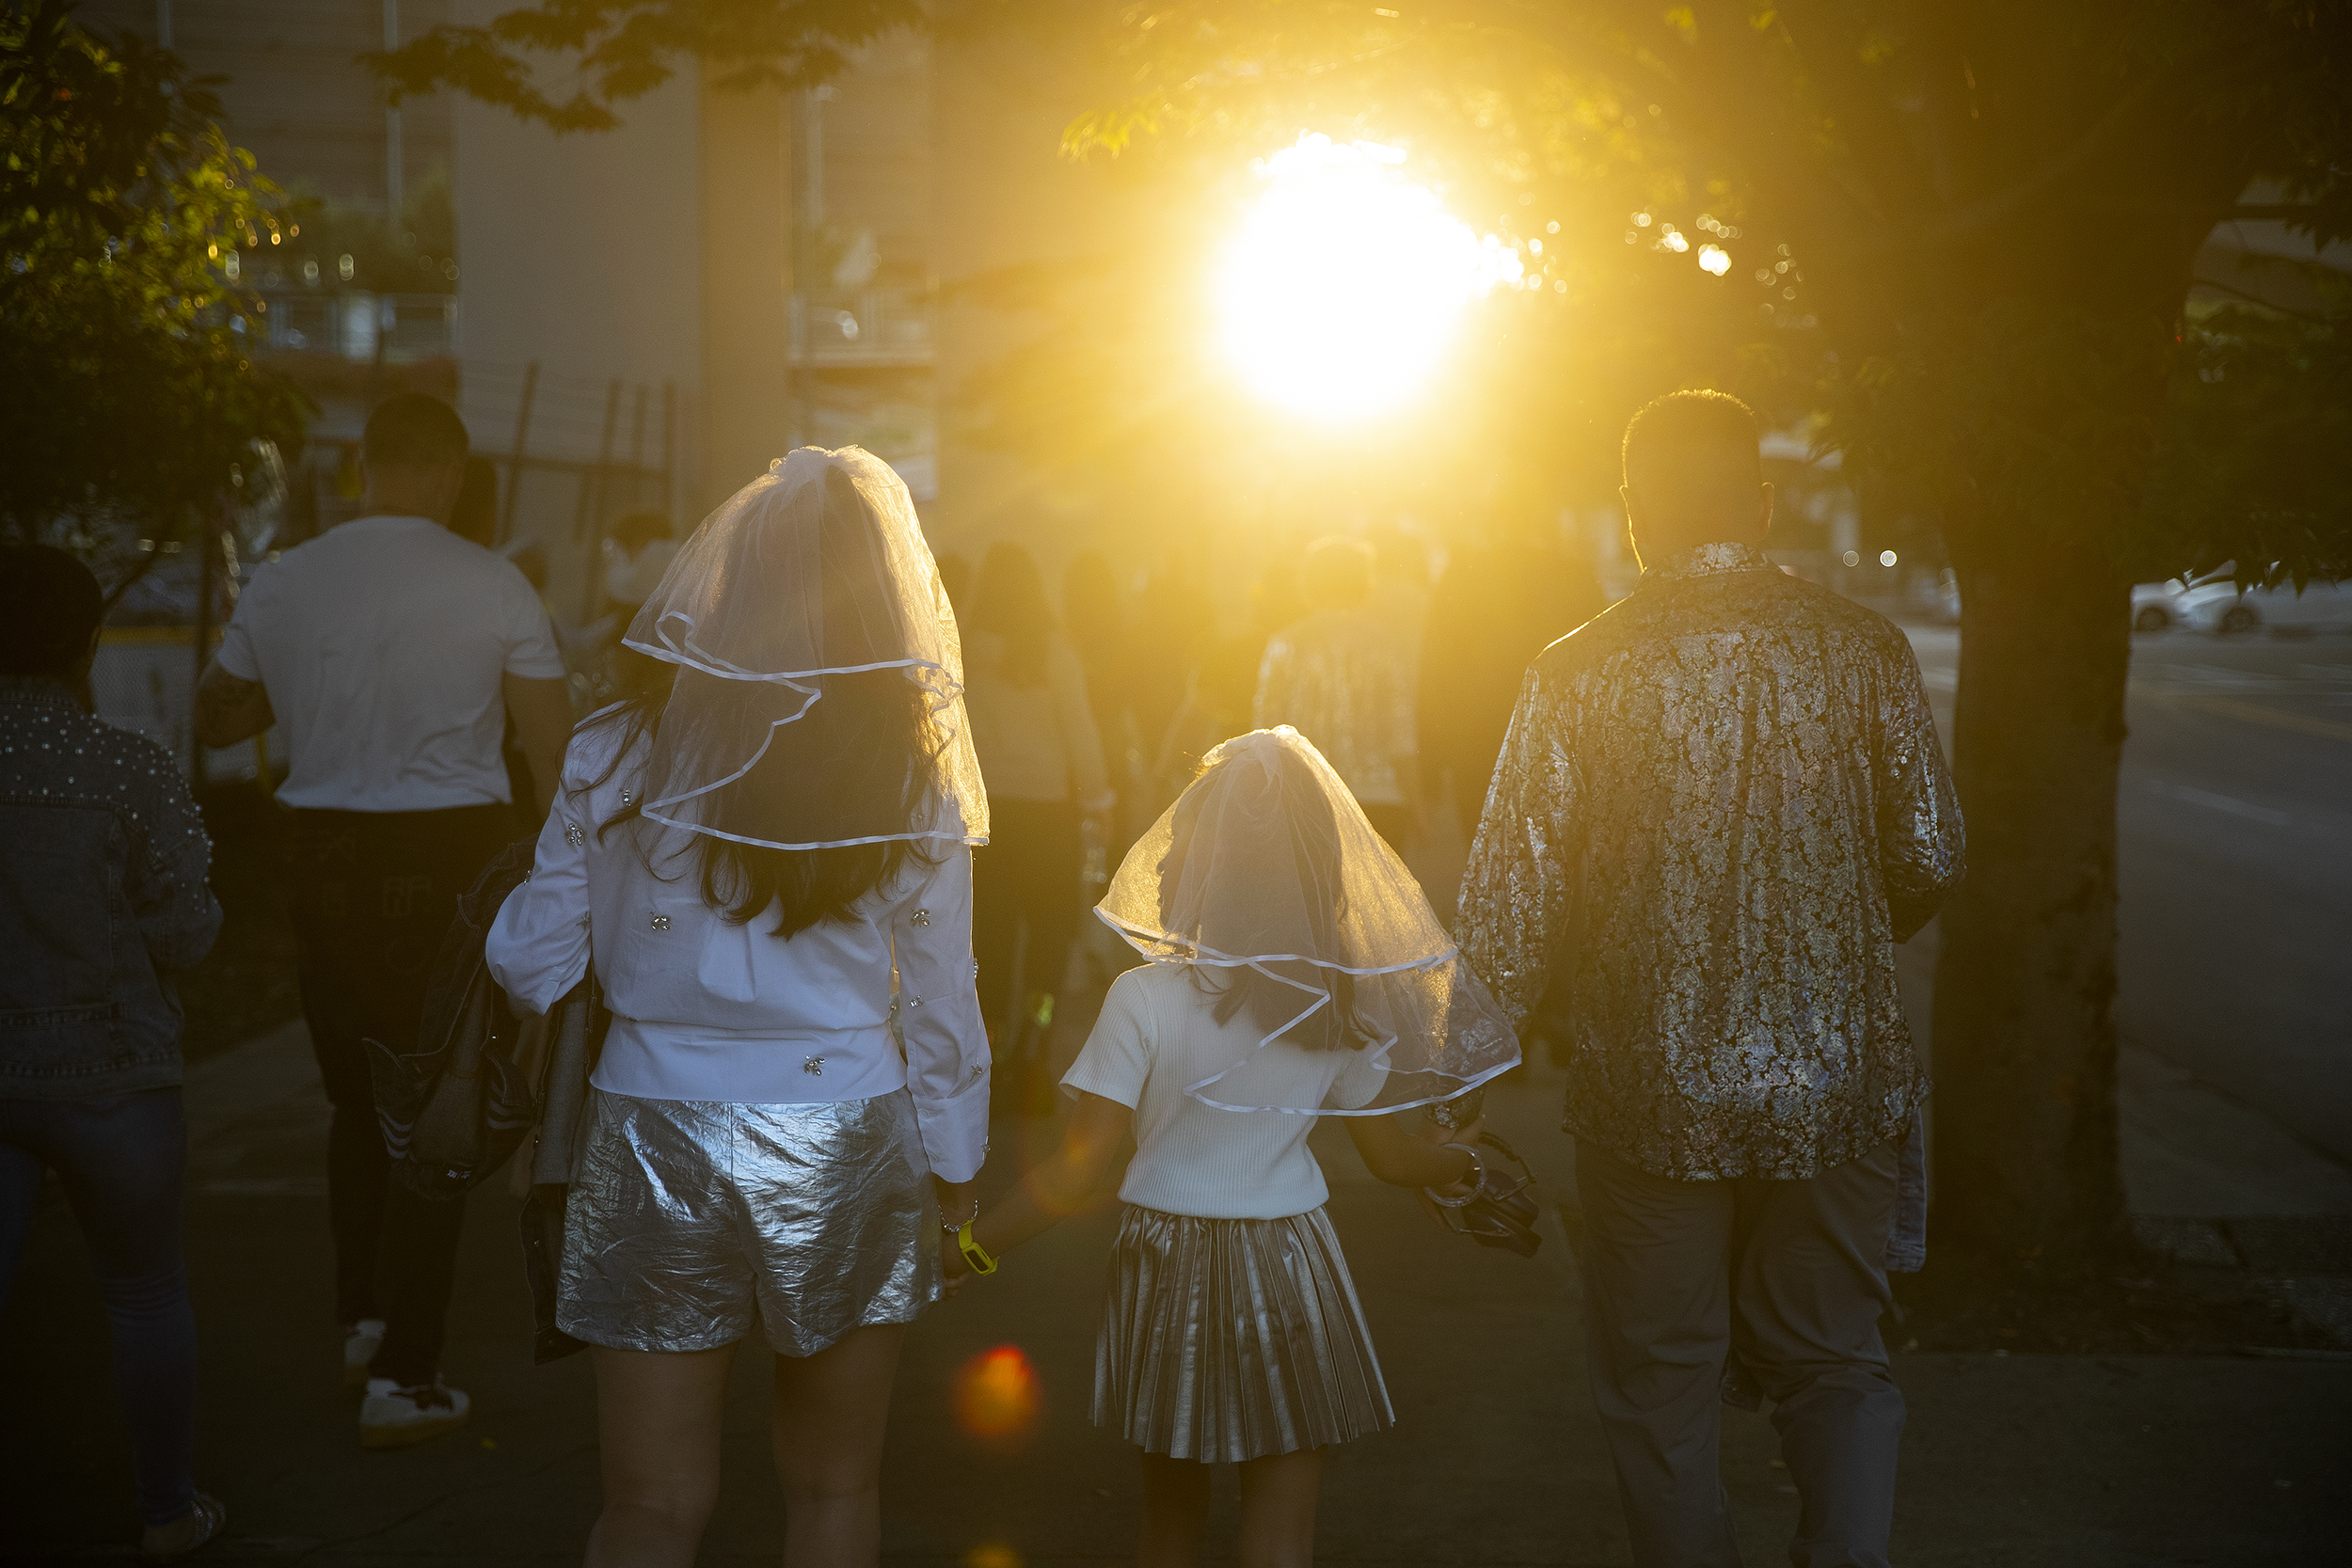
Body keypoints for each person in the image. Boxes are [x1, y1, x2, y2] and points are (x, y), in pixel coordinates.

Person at [1455, 390, 1965, 1568]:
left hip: (1650, 1083)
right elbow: (1930, 851)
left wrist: (1455, 1075)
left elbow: (1511, 906)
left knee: (1660, 1376)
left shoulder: (1574, 672)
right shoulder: (1864, 648)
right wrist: (1839, 930)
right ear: (1764, 502)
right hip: (1837, 1077)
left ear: (1635, 515)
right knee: (1835, 1358)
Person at [485, 447, 992, 1568]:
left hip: (651, 1115)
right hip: (846, 1122)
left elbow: (531, 962)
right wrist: (955, 1170)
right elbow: (946, 999)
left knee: (650, 1502)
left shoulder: (618, 748)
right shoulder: (908, 773)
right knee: (831, 1487)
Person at [945, 726, 1518, 1568]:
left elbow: (1077, 1171)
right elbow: (1395, 1161)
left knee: (1170, 1520)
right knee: (1282, 1529)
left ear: (1208, 872)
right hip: (1292, 1260)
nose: (1168, 860)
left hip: (1163, 1261)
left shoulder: (1142, 999)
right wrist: (1463, 1168)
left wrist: (966, 1247)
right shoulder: (1335, 1011)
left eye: (1180, 844)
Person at [192, 393, 575, 1448]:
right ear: (449, 473)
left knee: (356, 1102)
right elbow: (556, 760)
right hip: (450, 863)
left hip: (324, 860)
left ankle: (362, 1320)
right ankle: (405, 1375)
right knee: (439, 1110)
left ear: (361, 467)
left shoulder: (287, 578)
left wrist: (321, 694)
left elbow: (217, 713)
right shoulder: (494, 582)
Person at [0, 545, 226, 1558]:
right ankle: (167, 1511)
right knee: (145, 1294)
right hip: (116, 1072)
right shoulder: (128, 767)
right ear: (86, 641)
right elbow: (188, 932)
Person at [961, 542, 1114, 1041]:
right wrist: (1098, 799)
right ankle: (1035, 1036)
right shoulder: (1051, 651)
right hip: (1049, 818)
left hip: (986, 817)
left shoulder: (961, 650)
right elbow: (1081, 732)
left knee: (993, 938)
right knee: (1050, 938)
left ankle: (996, 1044)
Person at [1418, 516, 1607, 840]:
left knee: (1484, 849)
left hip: (1476, 736)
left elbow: (1437, 666)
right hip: (1557, 736)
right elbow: (1600, 661)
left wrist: (1431, 760)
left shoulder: (1463, 576)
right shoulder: (1574, 575)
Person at [1252, 536, 1422, 853]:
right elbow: (1400, 732)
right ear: (1362, 580)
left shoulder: (1285, 644)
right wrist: (1416, 802)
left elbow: (1265, 732)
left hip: (1304, 797)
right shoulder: (1384, 643)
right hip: (1379, 797)